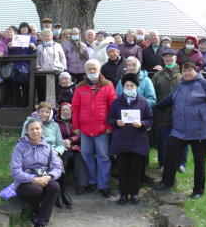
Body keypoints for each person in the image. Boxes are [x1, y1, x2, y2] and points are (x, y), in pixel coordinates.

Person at [153, 58, 206, 199]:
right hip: (180, 129)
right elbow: (171, 98)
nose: (187, 73)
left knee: (199, 160)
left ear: (195, 70)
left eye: (189, 70)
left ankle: (198, 190)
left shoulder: (204, 84)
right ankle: (167, 182)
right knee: (171, 152)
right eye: (184, 71)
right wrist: (155, 108)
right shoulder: (181, 85)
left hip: (199, 130)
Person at [71, 59, 117, 198]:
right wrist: (75, 126)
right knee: (87, 156)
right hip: (85, 129)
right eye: (89, 69)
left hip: (102, 129)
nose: (92, 71)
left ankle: (104, 185)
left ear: (99, 70)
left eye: (94, 69)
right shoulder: (79, 86)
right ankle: (91, 181)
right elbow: (75, 107)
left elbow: (113, 107)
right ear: (86, 71)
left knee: (103, 157)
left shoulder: (108, 85)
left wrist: (110, 126)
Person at [108, 73, 153, 205]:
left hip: (138, 141)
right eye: (127, 85)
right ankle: (123, 194)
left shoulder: (144, 102)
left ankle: (134, 193)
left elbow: (149, 120)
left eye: (132, 85)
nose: (129, 88)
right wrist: (116, 122)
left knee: (136, 169)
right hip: (121, 141)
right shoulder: (117, 102)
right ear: (123, 87)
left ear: (136, 87)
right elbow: (110, 119)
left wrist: (142, 124)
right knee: (122, 170)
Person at [11, 117, 62, 227]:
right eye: (31, 129)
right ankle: (36, 209)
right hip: (25, 183)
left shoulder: (48, 147)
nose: (35, 131)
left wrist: (49, 177)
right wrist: (33, 179)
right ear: (27, 131)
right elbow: (15, 171)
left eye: (37, 128)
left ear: (42, 130)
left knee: (55, 186)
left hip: (44, 178)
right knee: (36, 190)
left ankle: (41, 223)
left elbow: (58, 168)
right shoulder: (20, 147)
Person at [21, 102, 70, 208]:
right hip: (36, 153)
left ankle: (62, 191)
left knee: (58, 161)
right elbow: (23, 141)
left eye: (47, 112)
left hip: (53, 152)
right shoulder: (30, 124)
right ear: (38, 112)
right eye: (42, 111)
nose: (44, 114)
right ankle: (55, 194)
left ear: (50, 113)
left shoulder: (54, 125)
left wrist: (56, 152)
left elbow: (61, 144)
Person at [151, 49, 187, 172]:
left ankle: (181, 163)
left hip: (181, 113)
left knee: (182, 139)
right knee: (163, 139)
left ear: (175, 58)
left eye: (170, 56)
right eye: (165, 57)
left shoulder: (183, 73)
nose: (168, 59)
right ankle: (162, 164)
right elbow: (153, 94)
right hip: (164, 114)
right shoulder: (157, 76)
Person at [54, 102, 89, 195]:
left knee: (79, 157)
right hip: (61, 146)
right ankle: (59, 185)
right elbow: (54, 136)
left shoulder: (76, 121)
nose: (65, 112)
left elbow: (81, 134)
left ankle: (82, 185)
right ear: (60, 111)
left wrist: (71, 141)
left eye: (67, 110)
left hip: (76, 146)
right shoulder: (55, 123)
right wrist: (63, 143)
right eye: (63, 110)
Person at [11, 22, 37, 108]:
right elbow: (12, 52)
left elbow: (35, 52)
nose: (23, 29)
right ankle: (17, 104)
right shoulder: (16, 38)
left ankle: (25, 104)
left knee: (26, 85)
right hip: (17, 63)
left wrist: (33, 47)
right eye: (22, 28)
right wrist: (9, 47)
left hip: (27, 64)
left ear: (28, 29)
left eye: (25, 28)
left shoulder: (32, 38)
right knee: (15, 84)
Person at [36, 29, 67, 102]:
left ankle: (55, 104)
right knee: (45, 89)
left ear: (51, 37)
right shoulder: (39, 47)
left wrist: (64, 67)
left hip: (56, 71)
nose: (46, 38)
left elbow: (62, 57)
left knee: (55, 89)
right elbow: (37, 59)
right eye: (44, 36)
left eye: (48, 36)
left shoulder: (58, 46)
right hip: (43, 72)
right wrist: (38, 67)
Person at [0, 27, 15, 108]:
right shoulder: (2, 43)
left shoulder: (17, 41)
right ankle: (8, 102)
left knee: (15, 86)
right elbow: (0, 51)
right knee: (7, 85)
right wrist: (1, 53)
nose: (9, 33)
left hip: (17, 66)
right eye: (7, 32)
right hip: (7, 66)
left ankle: (16, 102)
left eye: (11, 32)